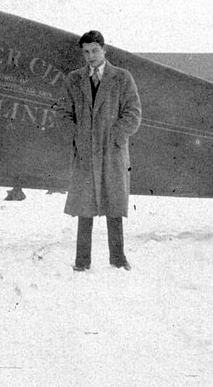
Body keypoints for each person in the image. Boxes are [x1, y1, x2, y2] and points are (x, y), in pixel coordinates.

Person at [59, 30, 142, 272]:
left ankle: (118, 259)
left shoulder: (122, 78)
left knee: (113, 206)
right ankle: (81, 262)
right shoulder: (74, 79)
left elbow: (133, 113)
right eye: (86, 52)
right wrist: (76, 135)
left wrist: (116, 135)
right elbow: (63, 113)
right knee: (84, 209)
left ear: (104, 50)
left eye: (95, 51)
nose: (90, 56)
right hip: (85, 152)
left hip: (111, 152)